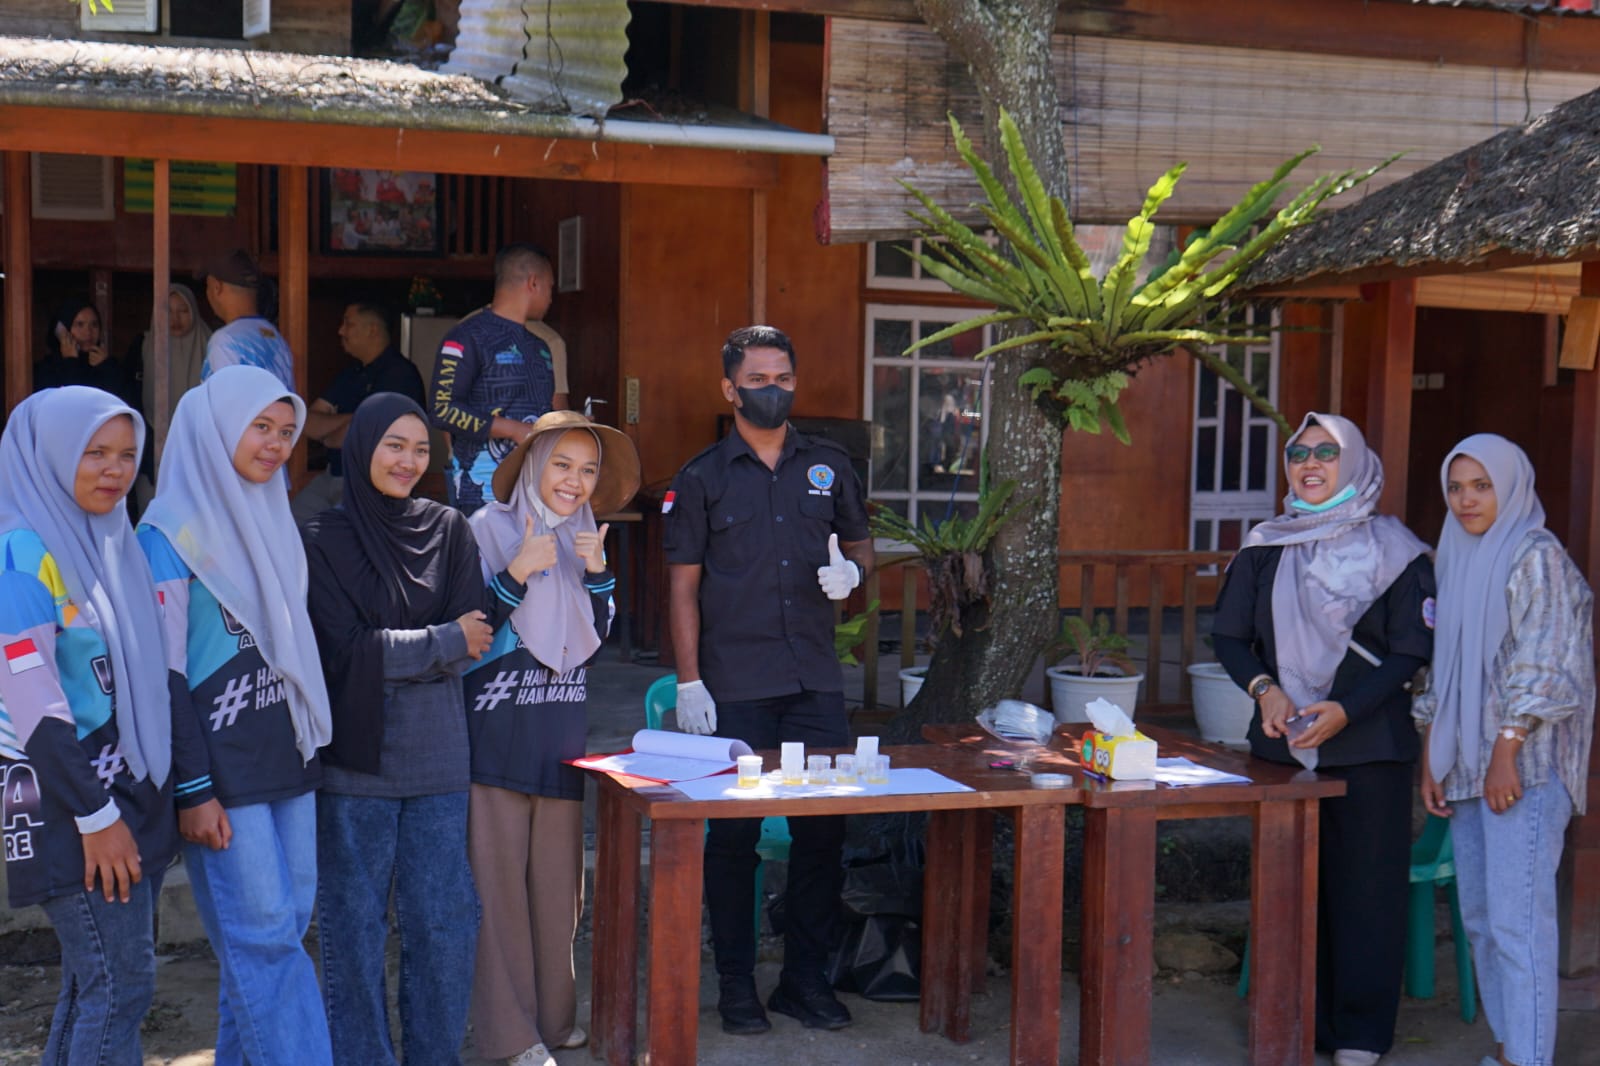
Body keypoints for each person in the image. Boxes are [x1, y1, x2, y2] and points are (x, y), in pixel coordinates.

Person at [663, 325, 873, 1035]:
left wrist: (854, 575)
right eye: (757, 380)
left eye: (782, 377)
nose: (772, 390)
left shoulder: (830, 465)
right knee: (733, 839)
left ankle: (805, 981)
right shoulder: (702, 477)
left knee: (823, 835)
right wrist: (689, 682)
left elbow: (862, 547)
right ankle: (736, 985)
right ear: (730, 389)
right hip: (735, 683)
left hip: (814, 680)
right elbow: (682, 589)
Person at [1211, 413, 1434, 1066]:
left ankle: (1360, 1034)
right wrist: (1264, 689)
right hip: (1282, 749)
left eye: (1326, 452)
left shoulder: (1398, 551)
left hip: (1370, 749)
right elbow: (1229, 636)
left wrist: (1348, 709)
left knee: (1365, 892)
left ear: (1355, 462)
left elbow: (1410, 650)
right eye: (1299, 452)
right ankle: (1295, 1020)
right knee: (1290, 891)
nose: (1310, 463)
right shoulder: (1265, 546)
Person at [137, 366, 335, 1066]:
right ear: (216, 429)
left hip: (288, 754)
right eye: (261, 427)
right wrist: (193, 789)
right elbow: (161, 676)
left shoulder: (274, 517)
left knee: (277, 935)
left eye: (286, 431)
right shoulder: (166, 535)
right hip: (221, 773)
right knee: (265, 940)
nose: (276, 444)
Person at [301, 392, 493, 1066]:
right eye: (394, 446)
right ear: (362, 448)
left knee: (444, 923)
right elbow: (342, 650)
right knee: (352, 930)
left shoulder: (449, 529)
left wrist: (409, 651)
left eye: (419, 449)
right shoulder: (321, 538)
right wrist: (439, 641)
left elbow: (476, 638)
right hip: (356, 763)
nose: (408, 461)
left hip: (438, 760)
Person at [0, 387, 187, 1064]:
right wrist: (96, 817)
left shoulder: (111, 542)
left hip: (117, 793)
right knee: (121, 987)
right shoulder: (22, 555)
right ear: (49, 457)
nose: (115, 470)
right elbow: (36, 710)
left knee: (93, 987)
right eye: (94, 453)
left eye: (128, 455)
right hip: (68, 801)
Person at [463, 410, 639, 1066]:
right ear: (533, 466)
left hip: (561, 740)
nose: (575, 481)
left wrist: (596, 573)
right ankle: (510, 1037)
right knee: (499, 899)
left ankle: (554, 1023)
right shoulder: (485, 529)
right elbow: (464, 637)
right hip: (496, 740)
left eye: (587, 469)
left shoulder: (583, 535)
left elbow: (592, 638)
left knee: (560, 897)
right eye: (562, 464)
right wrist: (515, 573)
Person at [1413, 435, 1595, 1066]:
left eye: (1482, 486)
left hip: (1526, 769)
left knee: (1518, 925)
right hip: (1467, 766)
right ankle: (1509, 1051)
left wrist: (1506, 751)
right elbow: (1442, 670)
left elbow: (1548, 663)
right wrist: (1431, 754)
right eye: (1456, 487)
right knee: (1483, 922)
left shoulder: (1536, 556)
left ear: (1512, 487)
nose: (1466, 500)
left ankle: (1528, 1060)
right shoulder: (1457, 557)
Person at [429, 244, 565, 516]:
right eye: (550, 287)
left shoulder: (541, 348)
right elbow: (441, 410)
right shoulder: (466, 336)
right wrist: (512, 429)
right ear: (533, 283)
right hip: (480, 493)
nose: (551, 298)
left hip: (535, 491)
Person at [293, 301, 427, 523]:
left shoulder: (399, 374)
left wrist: (338, 431)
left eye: (349, 324)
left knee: (341, 538)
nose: (341, 331)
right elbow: (307, 421)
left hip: (369, 483)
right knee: (293, 524)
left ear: (372, 329)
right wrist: (353, 421)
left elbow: (364, 432)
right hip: (332, 474)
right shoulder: (352, 373)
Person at [128, 283, 213, 509]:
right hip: (151, 450)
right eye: (168, 311)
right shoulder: (143, 346)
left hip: (199, 450)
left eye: (183, 311)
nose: (175, 319)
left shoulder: (212, 347)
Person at [200, 248, 294, 391]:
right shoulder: (274, 337)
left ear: (217, 287)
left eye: (208, 287)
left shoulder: (226, 341)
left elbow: (226, 400)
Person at [34, 296, 124, 394]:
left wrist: (107, 367)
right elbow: (73, 397)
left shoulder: (108, 366)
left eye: (94, 325)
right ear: (63, 330)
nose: (88, 332)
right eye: (80, 325)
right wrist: (70, 362)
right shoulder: (47, 370)